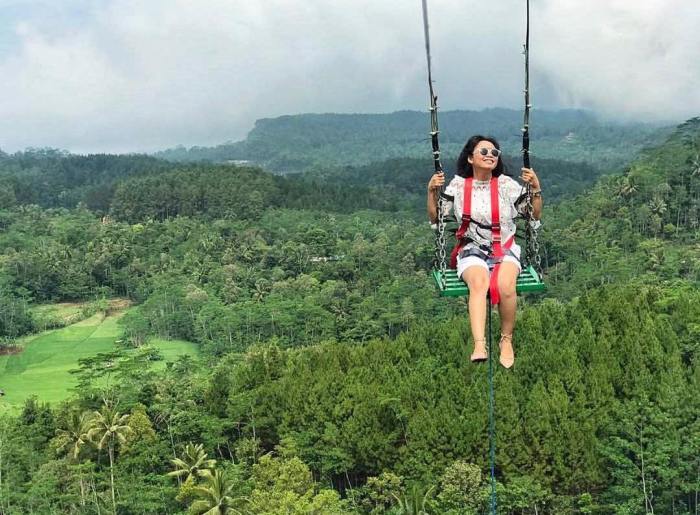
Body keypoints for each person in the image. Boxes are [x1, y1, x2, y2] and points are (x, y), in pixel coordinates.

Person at [427, 135, 542, 368]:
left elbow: (533, 215)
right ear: (470, 158)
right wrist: (431, 192)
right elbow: (436, 218)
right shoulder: (459, 186)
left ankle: (506, 339)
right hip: (471, 249)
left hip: (504, 247)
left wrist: (536, 189)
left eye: (494, 153)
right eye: (484, 152)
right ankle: (479, 343)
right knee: (478, 284)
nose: (490, 156)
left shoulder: (506, 185)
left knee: (505, 285)